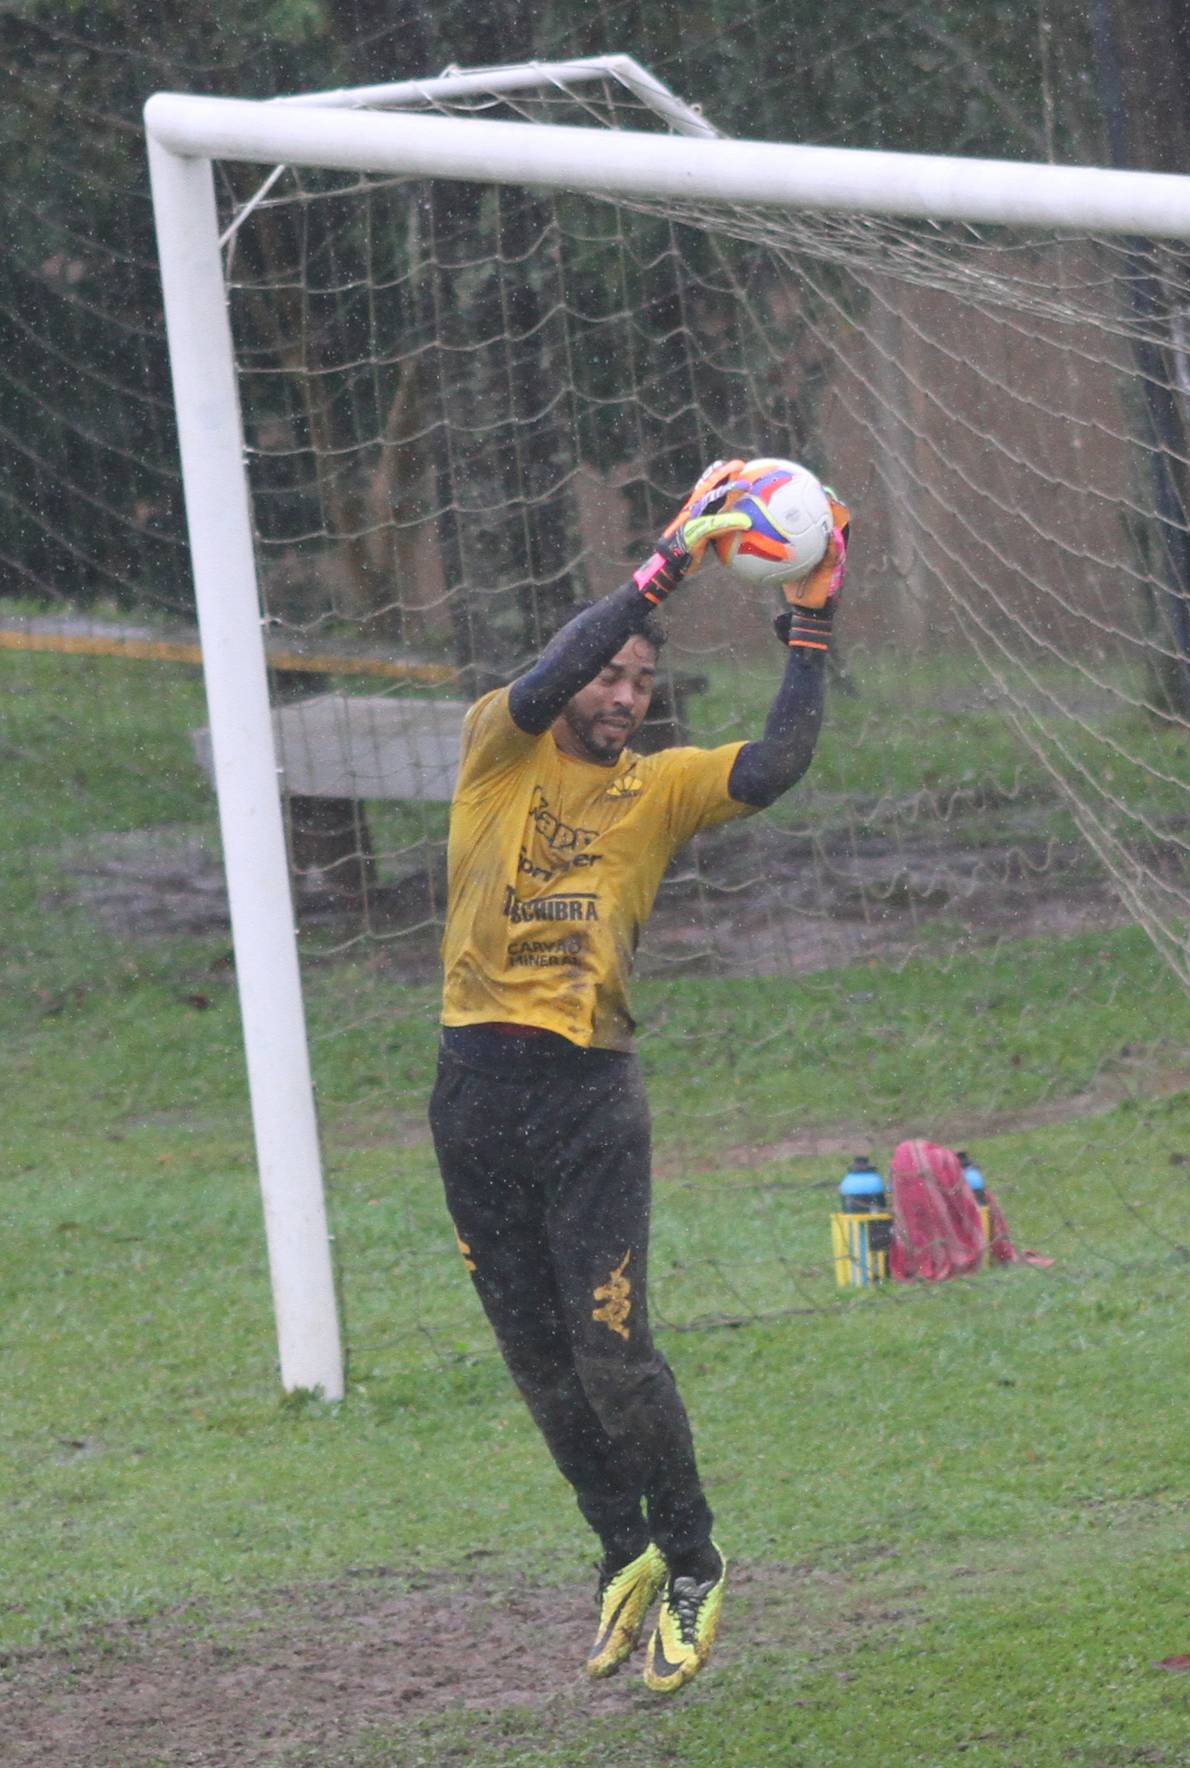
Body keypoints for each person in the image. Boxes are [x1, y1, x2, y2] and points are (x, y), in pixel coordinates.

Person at [427, 459, 846, 1693]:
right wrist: (657, 573)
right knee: (539, 1363)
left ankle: (697, 1557)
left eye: (641, 682)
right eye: (612, 675)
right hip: (471, 1101)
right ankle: (623, 1553)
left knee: (615, 1355)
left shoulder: (654, 791)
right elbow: (551, 669)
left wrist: (811, 624)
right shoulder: (495, 750)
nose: (621, 693)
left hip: (587, 1104)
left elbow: (772, 763)